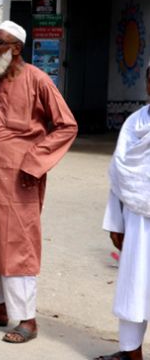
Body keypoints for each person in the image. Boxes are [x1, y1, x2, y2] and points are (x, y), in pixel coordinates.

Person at [0, 20, 77, 344]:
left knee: (18, 245)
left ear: (17, 48)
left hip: (20, 178)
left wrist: (35, 162)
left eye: (0, 43)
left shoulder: (38, 80)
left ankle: (27, 319)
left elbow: (66, 125)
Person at [98, 65, 150, 360]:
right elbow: (119, 175)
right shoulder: (134, 123)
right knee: (133, 285)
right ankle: (131, 353)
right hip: (135, 218)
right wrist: (115, 223)